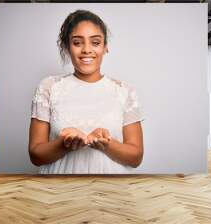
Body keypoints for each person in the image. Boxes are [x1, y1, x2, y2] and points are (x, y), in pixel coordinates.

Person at [28, 9, 144, 174]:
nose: (87, 50)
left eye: (95, 42)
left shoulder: (124, 91)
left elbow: (136, 157)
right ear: (67, 47)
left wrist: (106, 144)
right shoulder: (48, 87)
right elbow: (35, 155)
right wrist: (64, 144)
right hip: (59, 193)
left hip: (111, 192)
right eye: (77, 42)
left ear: (105, 47)